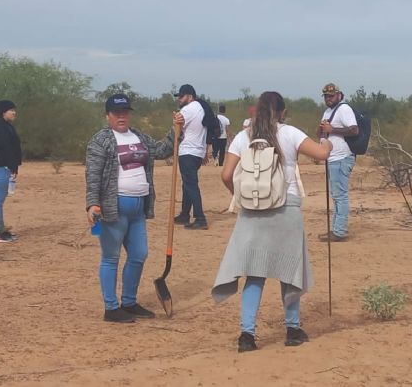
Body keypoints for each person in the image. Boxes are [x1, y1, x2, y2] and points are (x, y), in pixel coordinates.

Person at [213, 91, 332, 352]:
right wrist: (327, 140)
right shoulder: (290, 133)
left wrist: (242, 197)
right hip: (285, 208)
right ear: (282, 112)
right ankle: (292, 329)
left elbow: (226, 174)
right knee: (290, 272)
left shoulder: (244, 137)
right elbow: (322, 155)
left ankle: (247, 335)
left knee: (255, 275)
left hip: (252, 212)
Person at [85, 93, 182, 323]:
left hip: (138, 208)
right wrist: (92, 204)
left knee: (139, 254)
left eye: (125, 112)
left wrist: (176, 129)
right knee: (111, 257)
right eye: (116, 113)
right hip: (113, 207)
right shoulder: (101, 140)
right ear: (107, 115)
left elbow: (161, 150)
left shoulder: (138, 136)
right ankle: (111, 307)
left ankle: (129, 302)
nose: (121, 116)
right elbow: (92, 174)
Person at [317, 83, 358, 242]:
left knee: (340, 196)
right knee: (336, 196)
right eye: (326, 96)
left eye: (331, 95)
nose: (328, 98)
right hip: (332, 158)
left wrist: (331, 130)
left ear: (339, 95)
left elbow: (354, 130)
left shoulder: (344, 109)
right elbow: (323, 132)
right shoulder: (328, 111)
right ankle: (335, 229)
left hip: (341, 158)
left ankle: (339, 231)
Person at [173, 84, 212, 229]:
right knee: (187, 184)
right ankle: (184, 214)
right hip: (197, 152)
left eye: (181, 96)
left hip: (188, 151)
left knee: (191, 185)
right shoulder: (202, 108)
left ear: (189, 96)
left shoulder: (188, 109)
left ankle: (200, 218)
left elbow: (177, 129)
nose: (179, 99)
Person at [0, 100, 22, 243]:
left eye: (14, 110)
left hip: (4, 168)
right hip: (1, 168)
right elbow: (7, 150)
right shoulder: (0, 128)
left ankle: (0, 231)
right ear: (3, 112)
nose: (14, 112)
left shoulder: (5, 127)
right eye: (10, 110)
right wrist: (13, 167)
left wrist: (14, 167)